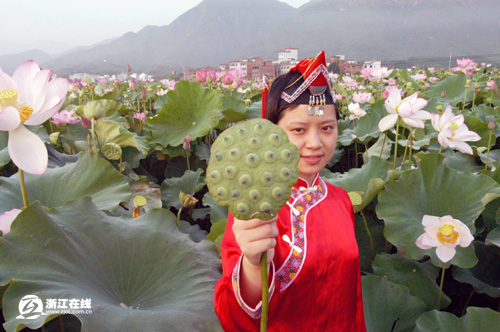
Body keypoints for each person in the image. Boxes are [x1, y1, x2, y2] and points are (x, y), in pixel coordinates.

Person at [214, 51, 366, 332]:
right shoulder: (253, 205)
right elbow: (234, 316)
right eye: (298, 130)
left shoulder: (341, 199)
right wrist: (250, 263)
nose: (315, 143)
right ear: (272, 135)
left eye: (327, 128)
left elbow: (352, 300)